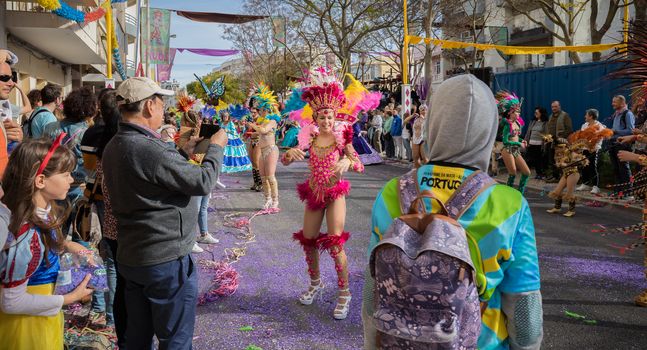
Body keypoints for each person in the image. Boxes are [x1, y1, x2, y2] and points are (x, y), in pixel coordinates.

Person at [362, 74, 543, 350]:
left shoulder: (392, 192)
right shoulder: (510, 204)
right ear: (488, 130)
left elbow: (372, 289)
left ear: (435, 124)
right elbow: (524, 304)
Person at [102, 77, 227, 350]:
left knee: (137, 337)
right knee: (175, 340)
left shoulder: (116, 144)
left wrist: (181, 151)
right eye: (161, 103)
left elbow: (151, 178)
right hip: (164, 260)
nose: (163, 109)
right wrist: (216, 147)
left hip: (133, 256)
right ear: (148, 106)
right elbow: (203, 182)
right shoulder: (149, 149)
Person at [282, 67, 366, 320]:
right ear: (315, 119)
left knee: (334, 242)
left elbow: (360, 164)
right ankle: (315, 283)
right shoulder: (309, 138)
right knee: (308, 240)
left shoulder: (343, 140)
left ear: (335, 117)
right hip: (314, 193)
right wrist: (288, 155)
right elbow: (286, 161)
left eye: (330, 117)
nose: (326, 122)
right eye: (322, 118)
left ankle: (344, 293)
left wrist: (347, 163)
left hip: (335, 193)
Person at [0, 138, 94, 349]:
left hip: (41, 318)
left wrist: (66, 246)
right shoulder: (26, 236)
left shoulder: (44, 212)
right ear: (40, 180)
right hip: (25, 329)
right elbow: (11, 302)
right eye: (66, 174)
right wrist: (70, 298)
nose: (72, 180)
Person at [79, 88, 127, 346]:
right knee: (122, 260)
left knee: (107, 257)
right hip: (126, 201)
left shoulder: (92, 133)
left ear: (99, 107)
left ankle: (110, 317)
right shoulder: (128, 134)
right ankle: (119, 315)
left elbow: (87, 167)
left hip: (99, 198)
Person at [547, 127, 612, 217]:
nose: (557, 149)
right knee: (557, 191)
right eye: (557, 148)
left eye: (559, 147)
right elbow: (559, 163)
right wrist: (561, 164)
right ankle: (557, 207)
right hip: (565, 173)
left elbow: (584, 161)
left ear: (564, 146)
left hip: (573, 174)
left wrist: (580, 160)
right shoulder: (559, 153)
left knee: (570, 193)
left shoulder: (571, 153)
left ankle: (571, 210)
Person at [246, 84, 281, 210]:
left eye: (263, 110)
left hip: (271, 150)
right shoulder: (261, 121)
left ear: (268, 110)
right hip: (262, 149)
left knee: (271, 176)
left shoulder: (272, 121)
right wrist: (251, 131)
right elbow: (258, 132)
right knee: (263, 177)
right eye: (260, 110)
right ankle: (267, 199)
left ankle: (275, 201)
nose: (261, 112)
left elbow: (264, 130)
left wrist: (252, 125)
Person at [497, 91, 531, 194]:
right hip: (507, 150)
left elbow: (515, 137)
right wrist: (519, 144)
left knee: (527, 172)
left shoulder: (517, 123)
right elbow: (506, 141)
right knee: (513, 173)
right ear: (510, 112)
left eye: (519, 112)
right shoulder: (507, 124)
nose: (519, 114)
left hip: (515, 150)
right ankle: (509, 195)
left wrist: (522, 140)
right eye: (516, 112)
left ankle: (520, 194)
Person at [0, 51, 24, 177]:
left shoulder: (4, 109)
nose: (11, 83)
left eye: (12, 77)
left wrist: (13, 141)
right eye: (4, 78)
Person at [608, 95, 635, 189]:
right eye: (612, 101)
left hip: (623, 144)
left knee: (623, 168)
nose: (612, 104)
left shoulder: (628, 114)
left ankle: (628, 190)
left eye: (614, 102)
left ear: (622, 103)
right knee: (616, 168)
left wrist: (616, 131)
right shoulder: (616, 113)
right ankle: (619, 190)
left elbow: (631, 131)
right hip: (614, 143)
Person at [576, 109, 605, 194]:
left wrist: (593, 147)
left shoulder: (599, 126)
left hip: (594, 149)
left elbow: (600, 138)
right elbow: (581, 137)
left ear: (591, 116)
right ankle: (585, 184)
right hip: (585, 149)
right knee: (585, 166)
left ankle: (596, 186)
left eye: (586, 115)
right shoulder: (584, 125)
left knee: (593, 167)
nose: (585, 116)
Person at [545, 101, 572, 182]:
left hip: (561, 143)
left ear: (559, 106)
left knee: (561, 160)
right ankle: (555, 176)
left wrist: (560, 137)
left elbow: (569, 129)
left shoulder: (565, 115)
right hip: (551, 142)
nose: (554, 108)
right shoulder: (550, 116)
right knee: (552, 159)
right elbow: (548, 128)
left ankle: (562, 177)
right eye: (552, 107)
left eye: (555, 106)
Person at [221, 108, 252, 173]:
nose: (225, 118)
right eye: (224, 116)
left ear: (228, 117)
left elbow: (234, 132)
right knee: (224, 152)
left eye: (226, 116)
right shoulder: (222, 123)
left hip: (231, 139)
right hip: (223, 137)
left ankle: (232, 165)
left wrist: (227, 131)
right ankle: (223, 164)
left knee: (231, 153)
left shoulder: (230, 123)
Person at [524, 107, 548, 179]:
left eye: (537, 113)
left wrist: (545, 145)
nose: (535, 114)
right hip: (531, 143)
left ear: (541, 113)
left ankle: (541, 174)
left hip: (539, 144)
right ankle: (537, 173)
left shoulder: (545, 123)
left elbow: (546, 134)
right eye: (535, 113)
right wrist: (525, 141)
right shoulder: (533, 121)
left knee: (539, 160)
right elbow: (528, 132)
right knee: (533, 159)